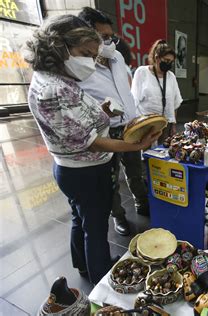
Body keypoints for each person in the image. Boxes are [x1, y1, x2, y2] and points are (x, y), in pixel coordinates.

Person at [24, 15, 161, 284]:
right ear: (59, 46)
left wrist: (101, 111)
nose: (89, 61)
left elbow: (72, 119)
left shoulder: (53, 77)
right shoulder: (54, 89)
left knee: (82, 219)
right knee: (96, 228)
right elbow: (90, 140)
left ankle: (84, 265)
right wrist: (137, 145)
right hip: (86, 170)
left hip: (73, 168)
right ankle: (101, 279)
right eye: (85, 53)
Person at [78, 7, 150, 237]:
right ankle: (118, 216)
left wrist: (135, 117)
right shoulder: (80, 66)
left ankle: (142, 202)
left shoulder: (117, 57)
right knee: (111, 179)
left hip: (129, 125)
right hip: (105, 132)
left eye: (111, 36)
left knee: (135, 170)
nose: (109, 41)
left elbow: (126, 91)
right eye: (103, 36)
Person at [132, 39, 183, 140]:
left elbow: (175, 103)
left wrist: (173, 125)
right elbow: (134, 100)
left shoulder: (171, 76)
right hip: (145, 124)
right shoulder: (142, 72)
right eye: (166, 60)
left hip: (165, 125)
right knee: (146, 153)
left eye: (171, 62)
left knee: (163, 152)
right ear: (157, 58)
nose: (169, 64)